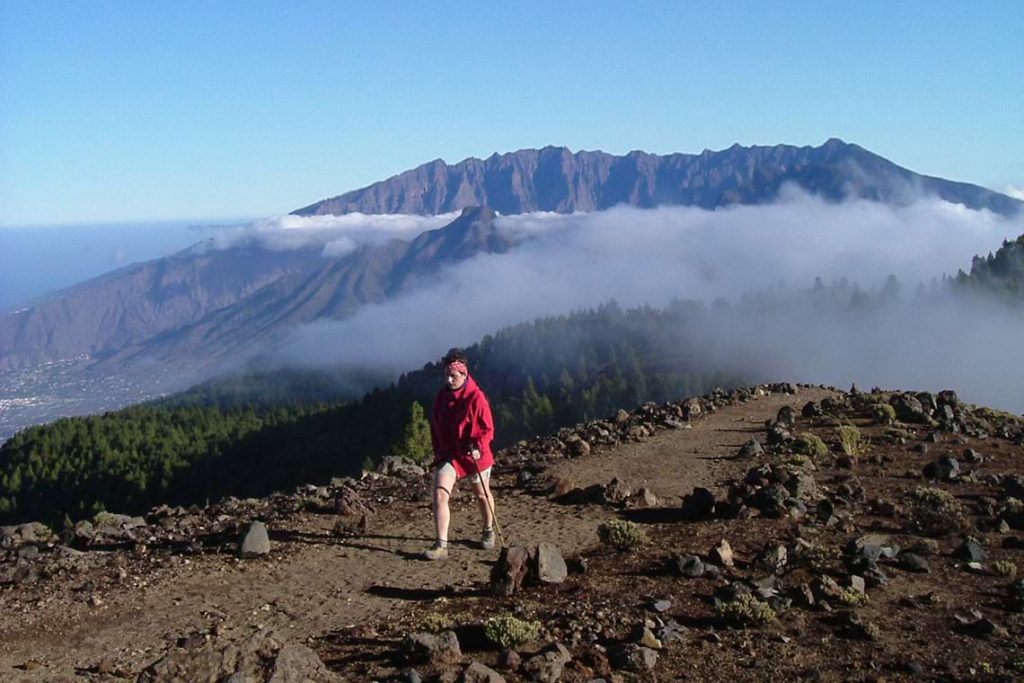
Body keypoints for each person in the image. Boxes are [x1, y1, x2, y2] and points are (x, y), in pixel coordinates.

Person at [422, 348, 497, 560]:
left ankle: (488, 529)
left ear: (464, 374)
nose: (449, 379)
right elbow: (435, 426)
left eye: (453, 375)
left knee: (481, 494)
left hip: (474, 454)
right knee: (439, 494)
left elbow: (488, 429)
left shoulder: (476, 397)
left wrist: (478, 446)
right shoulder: (441, 397)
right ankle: (441, 546)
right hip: (450, 453)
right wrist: (438, 450)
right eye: (446, 375)